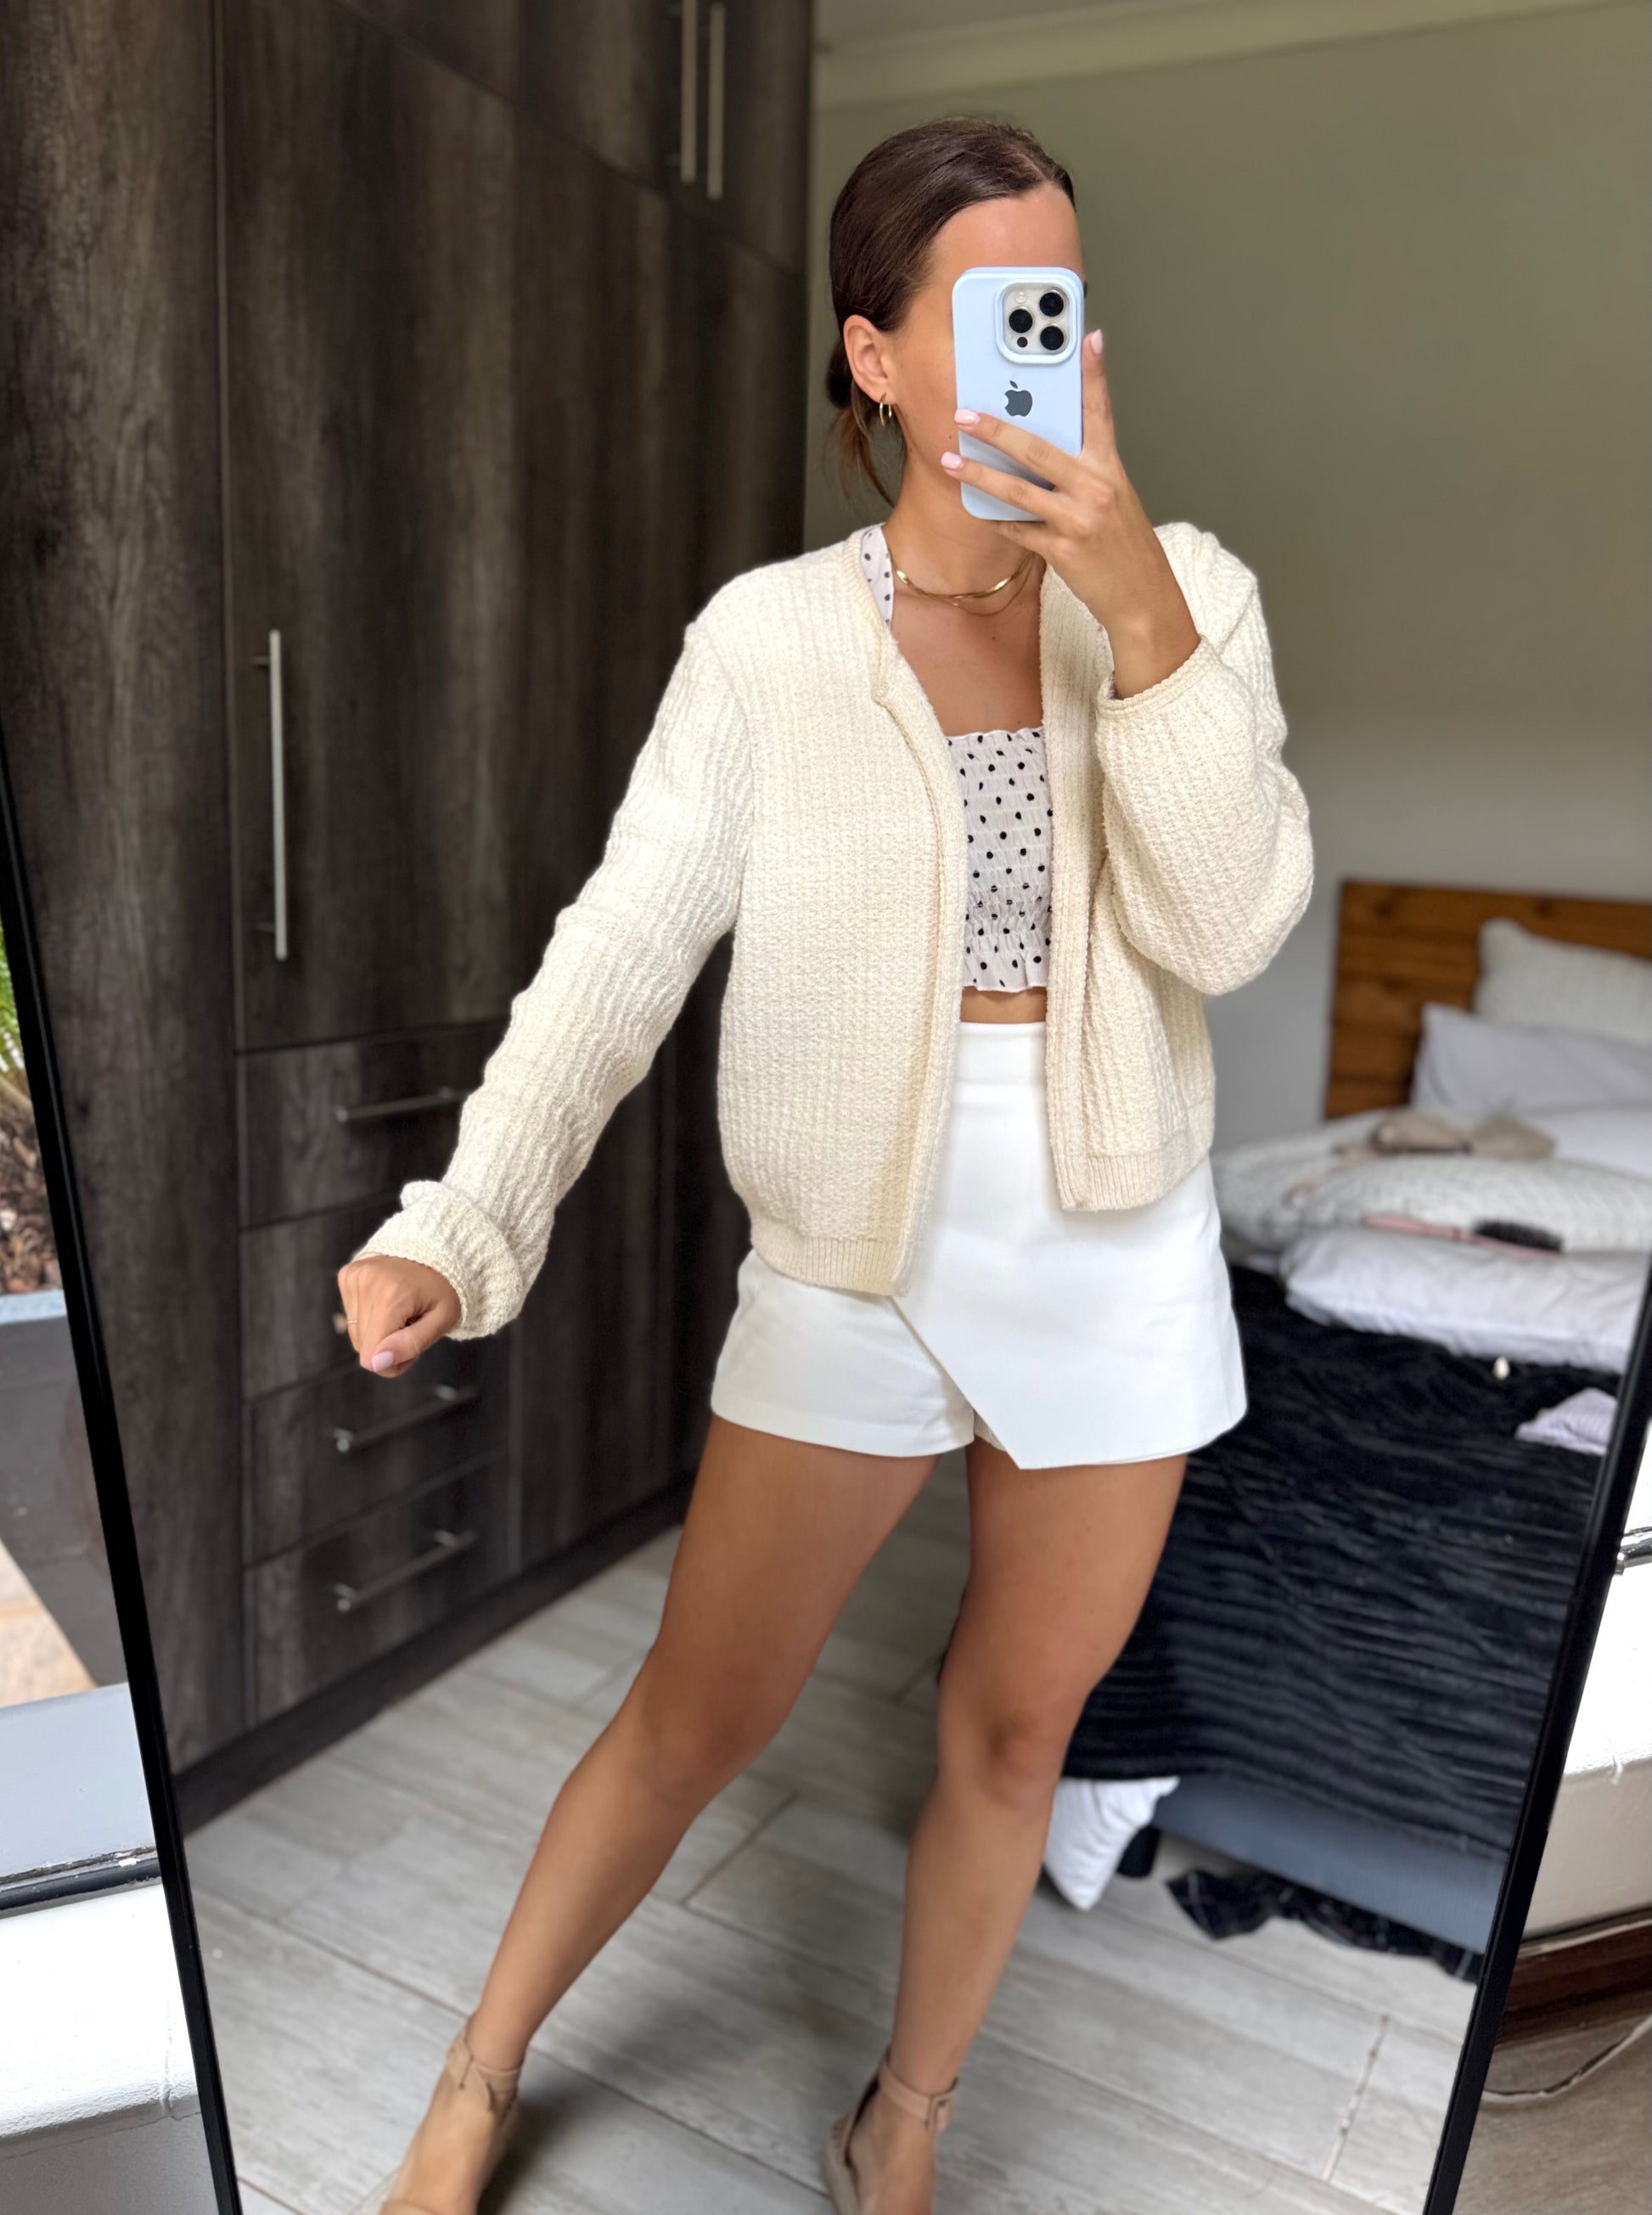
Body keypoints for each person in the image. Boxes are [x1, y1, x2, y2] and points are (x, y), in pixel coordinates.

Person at [338, 115, 1312, 2215]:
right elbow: (621, 948)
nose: (1052, 339)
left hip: (1114, 1247)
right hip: (852, 1247)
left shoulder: (1187, 594)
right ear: (876, 355)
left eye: (1067, 298)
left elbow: (1232, 926)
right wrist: (464, 1216)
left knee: (1013, 1735)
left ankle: (904, 2124)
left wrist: (1138, 610)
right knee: (695, 1714)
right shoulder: (765, 643)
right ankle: (480, 2074)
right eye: (998, 305)